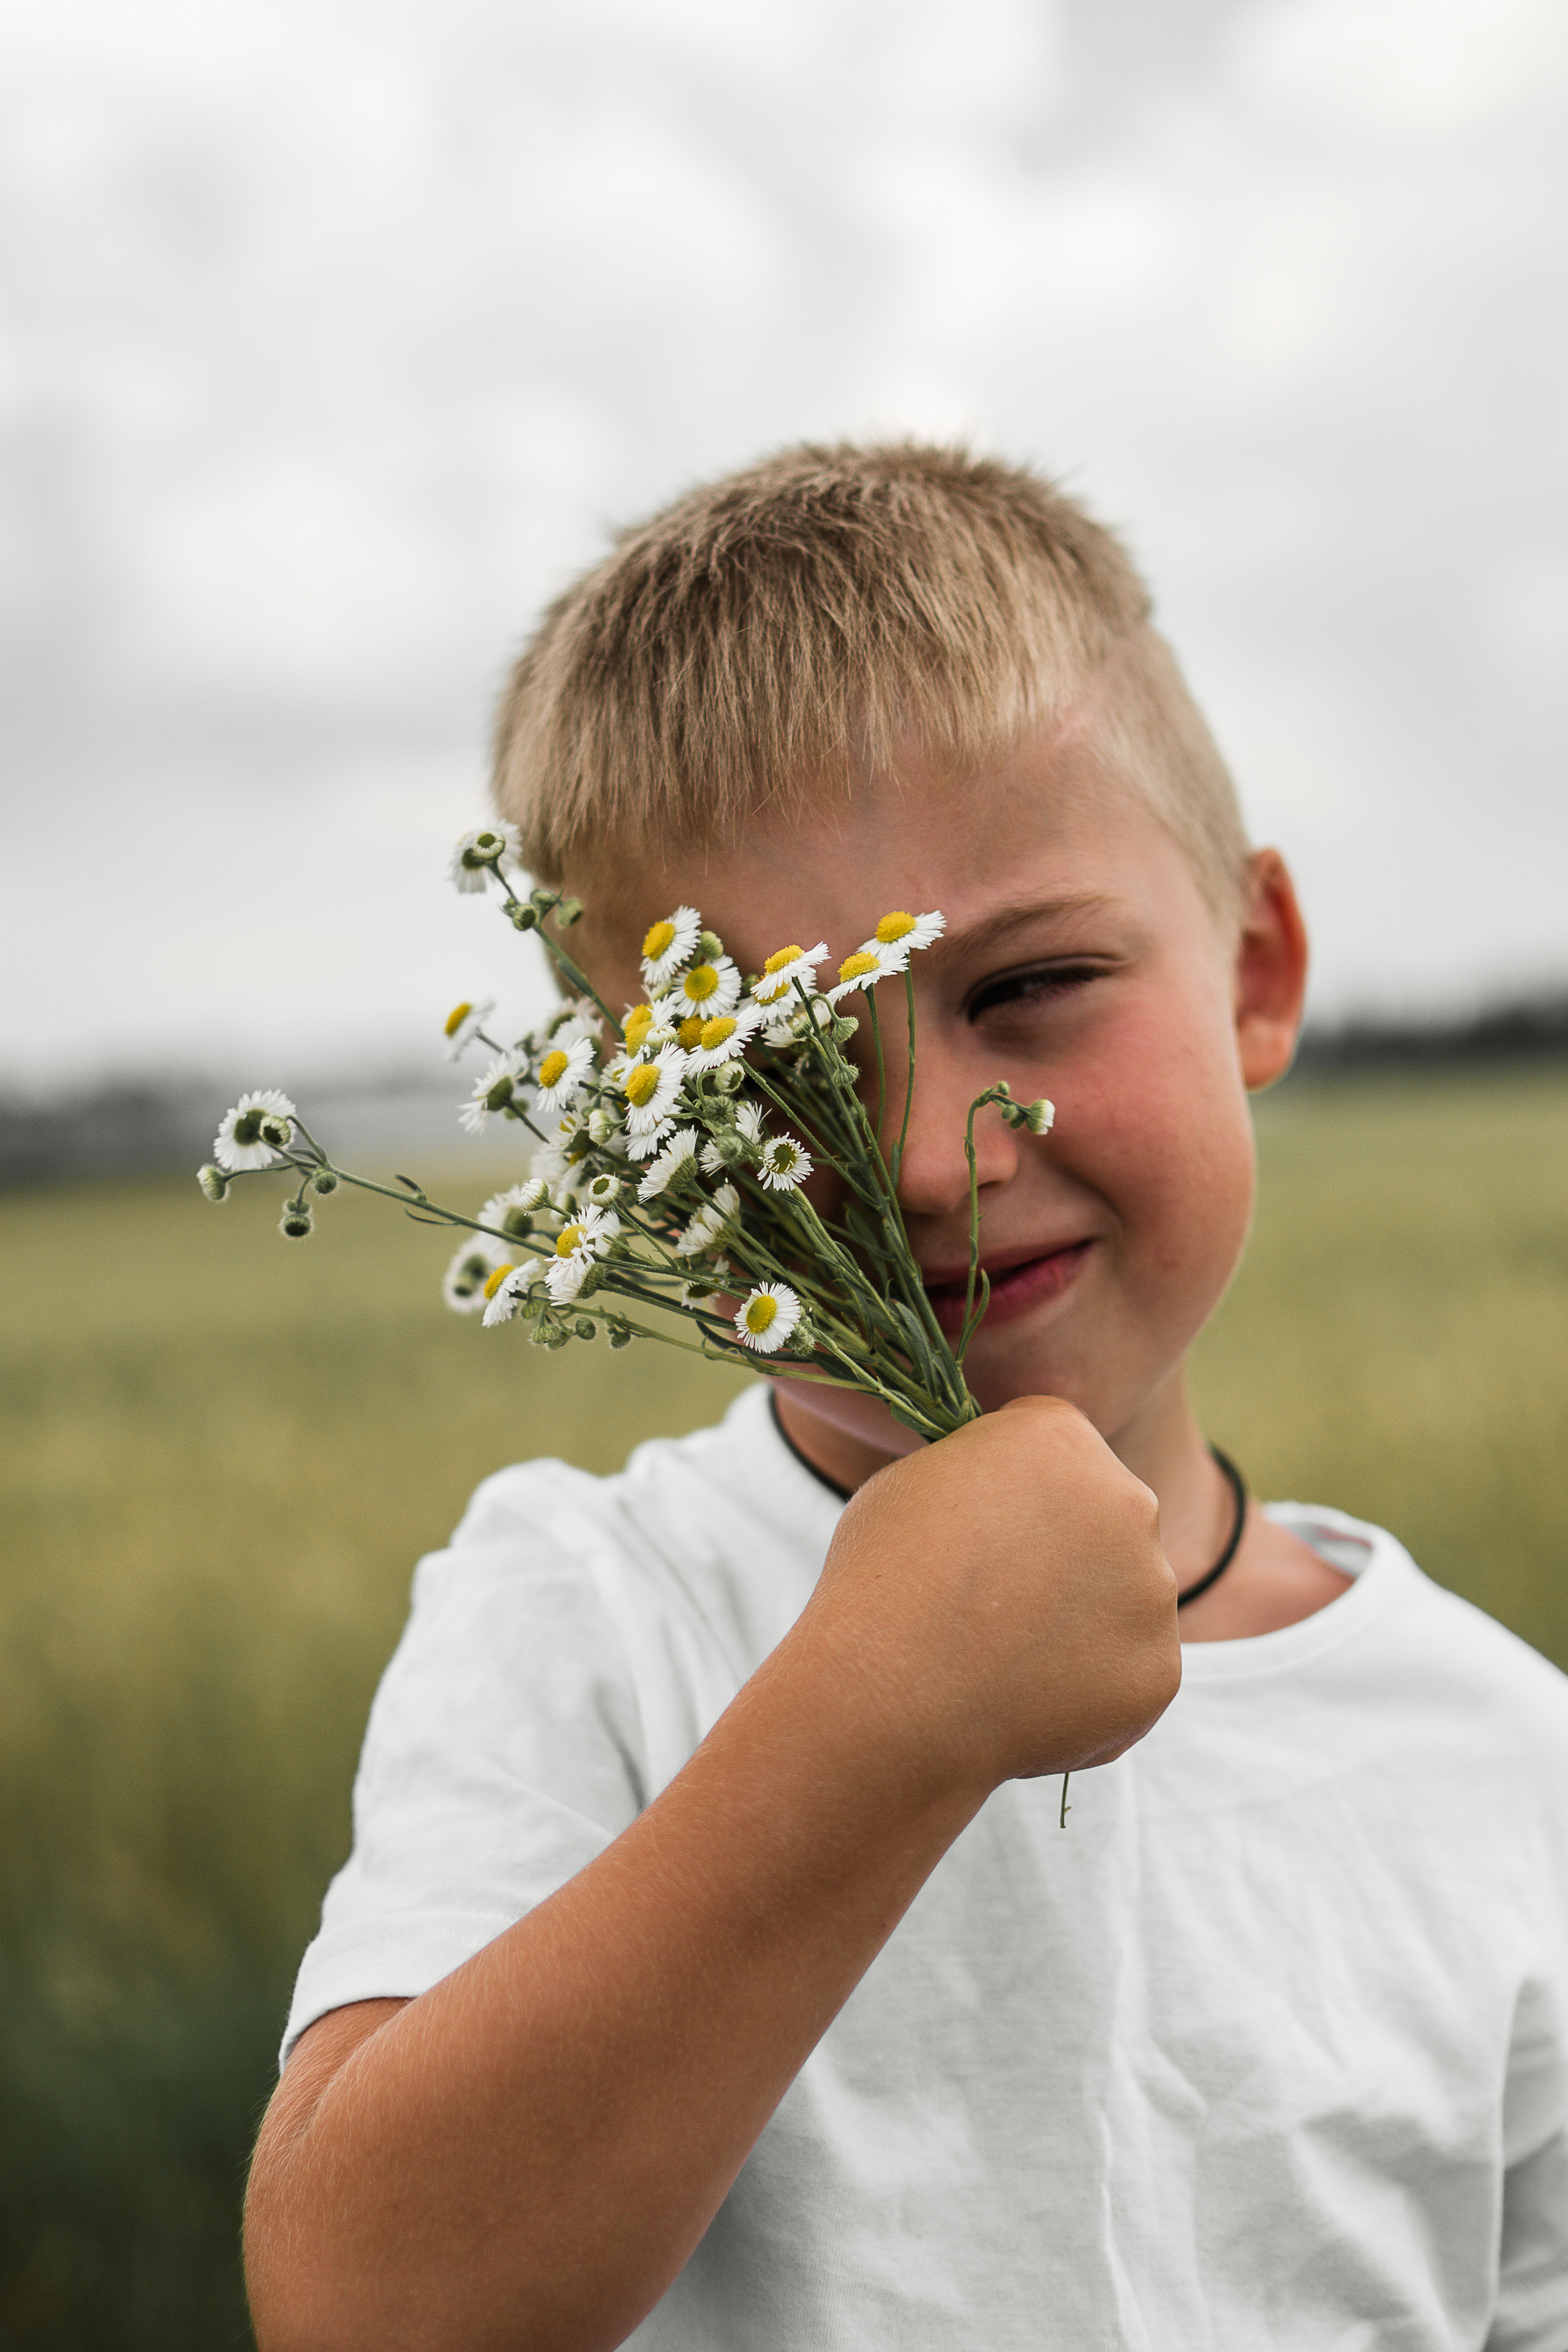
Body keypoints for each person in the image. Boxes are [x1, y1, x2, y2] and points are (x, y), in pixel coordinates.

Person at [243, 444, 1568, 2351]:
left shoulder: (1507, 1762)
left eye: (1029, 990)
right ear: (626, 1148)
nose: (928, 1161)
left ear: (1257, 969)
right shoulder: (592, 1614)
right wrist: (883, 1712)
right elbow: (363, 2310)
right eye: (764, 1075)